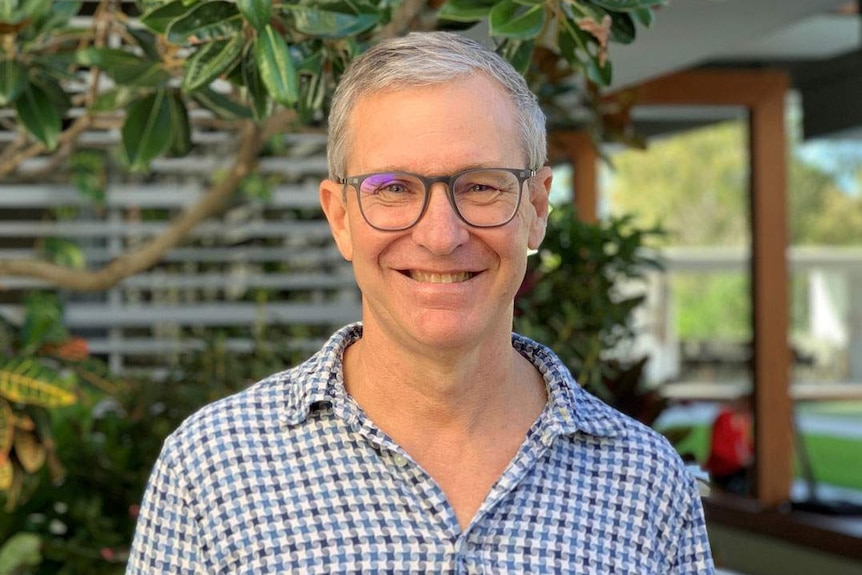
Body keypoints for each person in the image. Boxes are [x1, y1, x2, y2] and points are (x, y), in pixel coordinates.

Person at [126, 31, 715, 574]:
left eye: (481, 185)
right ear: (340, 218)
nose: (441, 235)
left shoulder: (645, 481)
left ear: (535, 210)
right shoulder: (212, 467)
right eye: (393, 188)